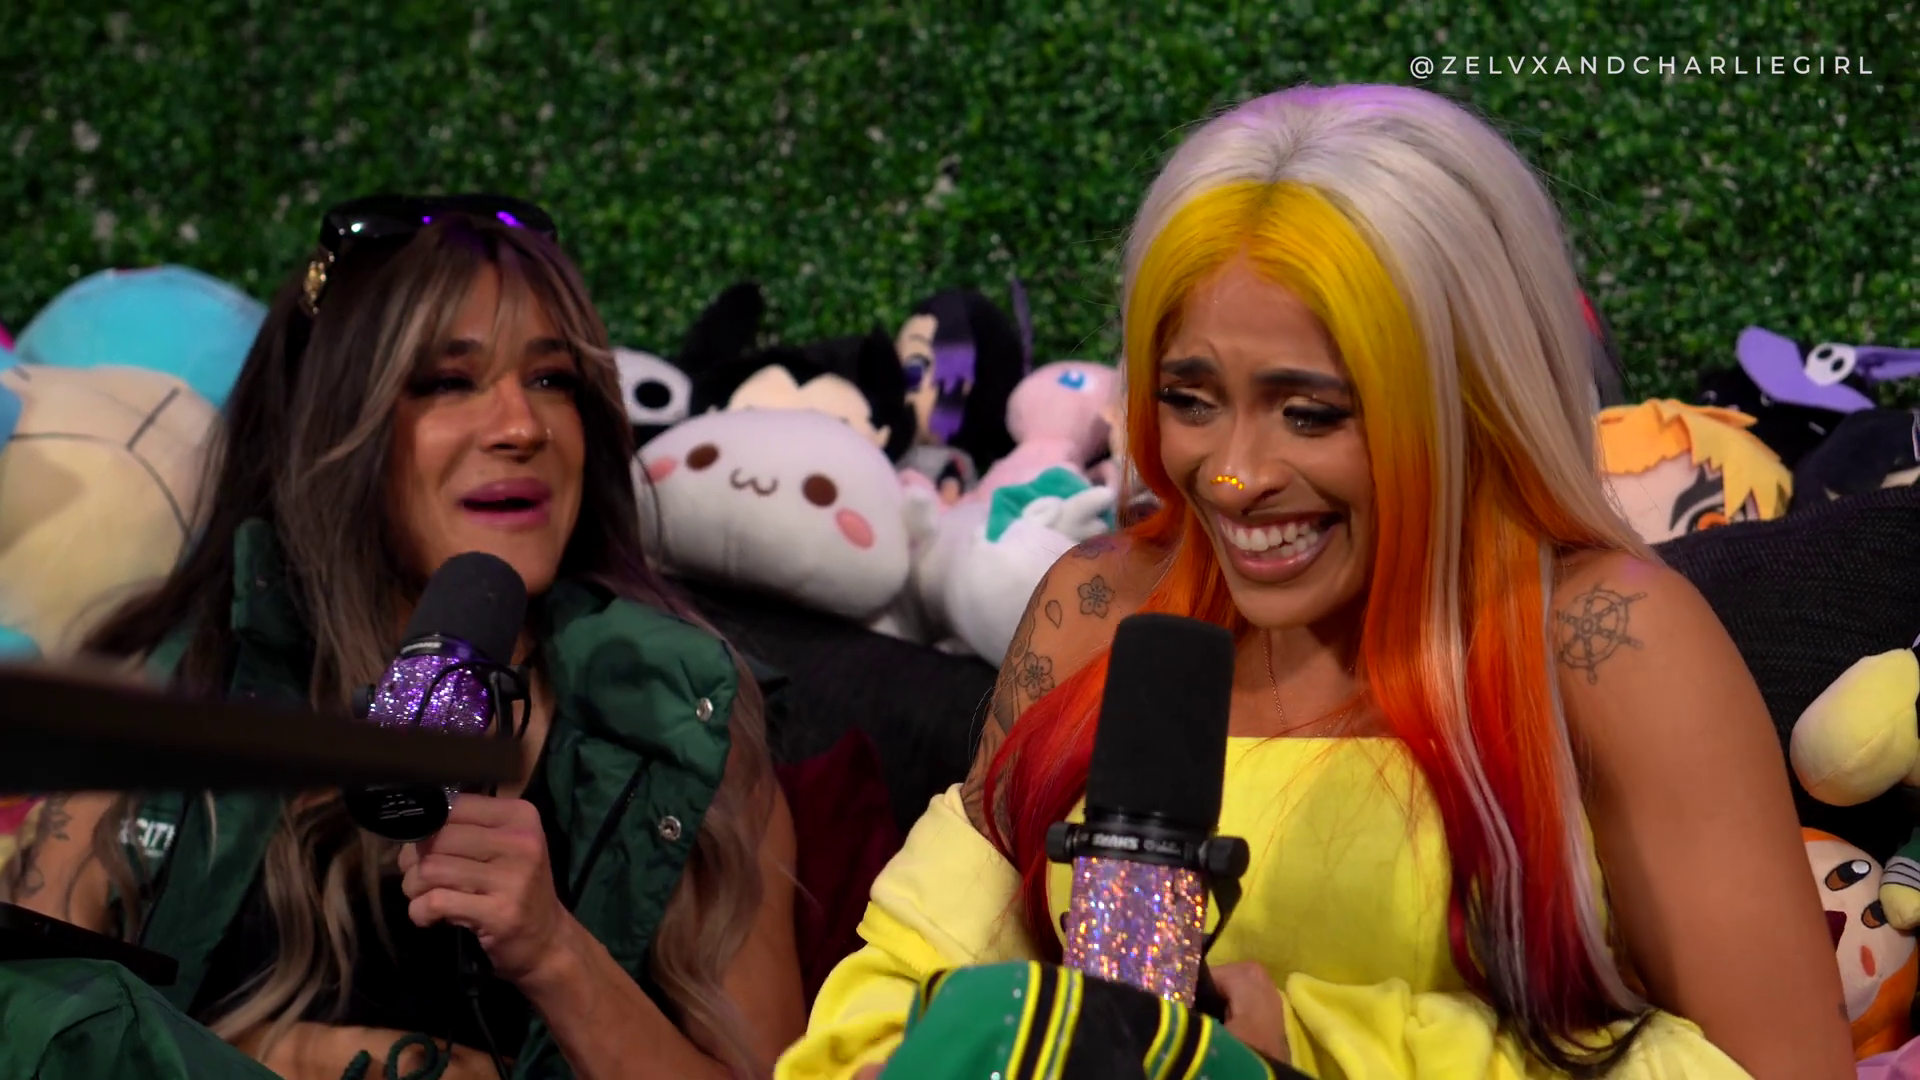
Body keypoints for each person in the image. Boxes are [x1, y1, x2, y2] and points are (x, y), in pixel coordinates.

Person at [777, 85, 1854, 1079]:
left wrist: (1310, 1053)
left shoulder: (1609, 642)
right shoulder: (1097, 606)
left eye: (1311, 413)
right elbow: (912, 974)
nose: (1234, 476)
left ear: (1469, 400)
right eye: (1192, 400)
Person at [0, 196, 806, 1080]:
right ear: (335, 425)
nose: (522, 427)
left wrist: (556, 955)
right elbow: (34, 1024)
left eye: (552, 380)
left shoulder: (685, 720)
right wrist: (303, 1053)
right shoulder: (181, 688)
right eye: (448, 382)